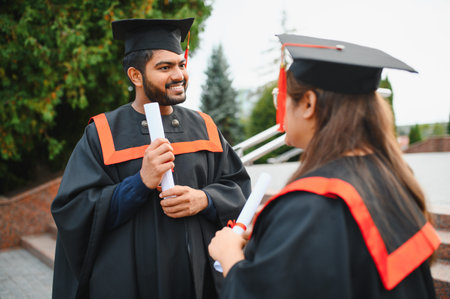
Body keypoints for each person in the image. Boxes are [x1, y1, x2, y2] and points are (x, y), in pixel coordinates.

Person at [208, 34, 441, 298]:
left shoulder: (309, 206)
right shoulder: (391, 178)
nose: (281, 107)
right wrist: (276, 239)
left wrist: (229, 257)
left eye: (283, 97)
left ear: (308, 103)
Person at [51, 18, 251, 299]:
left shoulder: (204, 127)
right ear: (135, 76)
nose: (179, 74)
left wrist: (204, 200)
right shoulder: (103, 133)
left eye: (181, 64)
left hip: (199, 281)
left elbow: (238, 187)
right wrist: (140, 183)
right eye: (165, 67)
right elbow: (73, 210)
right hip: (132, 283)